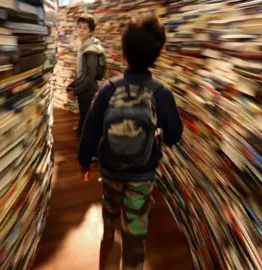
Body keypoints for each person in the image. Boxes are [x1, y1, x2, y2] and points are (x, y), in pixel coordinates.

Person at [77, 14, 183, 270]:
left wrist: (84, 161)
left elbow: (90, 129)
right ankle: (132, 257)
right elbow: (175, 133)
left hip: (110, 166)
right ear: (156, 56)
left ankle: (108, 233)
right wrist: (160, 136)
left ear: (124, 55)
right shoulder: (161, 92)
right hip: (143, 172)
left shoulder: (108, 89)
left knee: (110, 204)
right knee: (136, 226)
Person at [67, 14, 104, 135]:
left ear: (91, 31)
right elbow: (82, 72)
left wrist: (77, 90)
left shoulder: (91, 50)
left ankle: (86, 138)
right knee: (83, 111)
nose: (81, 30)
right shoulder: (84, 46)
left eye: (85, 28)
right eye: (79, 27)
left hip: (88, 88)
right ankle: (80, 129)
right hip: (84, 85)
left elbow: (90, 76)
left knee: (87, 114)